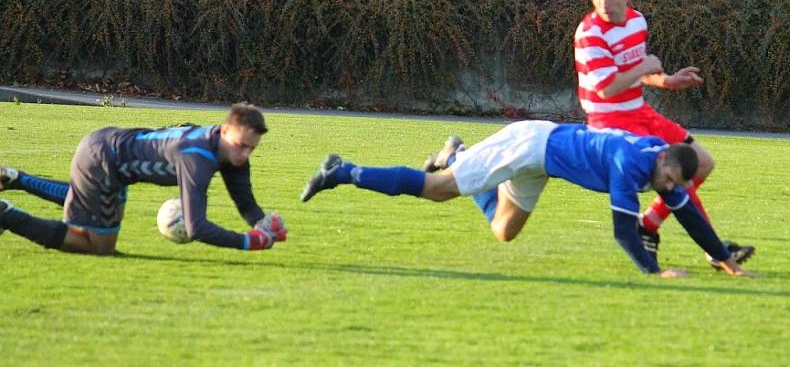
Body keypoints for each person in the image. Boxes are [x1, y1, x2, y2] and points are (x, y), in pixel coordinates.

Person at [300, 120, 754, 278]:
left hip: (543, 162)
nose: (669, 188)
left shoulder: (664, 166)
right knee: (438, 191)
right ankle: (344, 171)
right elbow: (623, 230)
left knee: (504, 231)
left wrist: (723, 258)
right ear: (664, 163)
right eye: (670, 180)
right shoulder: (631, 163)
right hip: (528, 146)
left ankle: (456, 153)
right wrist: (655, 273)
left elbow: (689, 213)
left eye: (674, 185)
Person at [573, 0, 754, 268]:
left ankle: (649, 225)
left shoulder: (637, 22)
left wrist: (666, 80)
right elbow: (606, 88)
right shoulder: (590, 33)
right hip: (611, 124)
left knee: (702, 163)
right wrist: (645, 68)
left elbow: (638, 74)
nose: (603, 3)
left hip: (639, 111)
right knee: (672, 177)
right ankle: (715, 250)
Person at [0, 103, 287, 254]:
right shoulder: (197, 157)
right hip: (103, 159)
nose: (245, 154)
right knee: (95, 245)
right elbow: (196, 226)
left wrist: (261, 224)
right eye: (241, 145)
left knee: (97, 207)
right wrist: (249, 242)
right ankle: (7, 216)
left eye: (252, 148)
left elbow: (244, 200)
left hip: (112, 155)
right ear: (225, 131)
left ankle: (16, 179)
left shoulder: (227, 149)